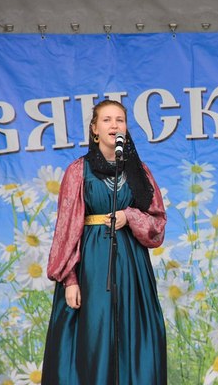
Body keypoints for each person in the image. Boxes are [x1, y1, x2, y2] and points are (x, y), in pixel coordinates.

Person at [42, 100, 167, 384]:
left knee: (132, 333)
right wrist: (70, 279)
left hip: (132, 265)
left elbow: (157, 222)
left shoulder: (139, 171)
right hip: (93, 264)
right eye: (107, 120)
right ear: (95, 130)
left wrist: (130, 216)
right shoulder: (79, 171)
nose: (114, 125)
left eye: (120, 120)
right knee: (94, 332)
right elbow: (65, 228)